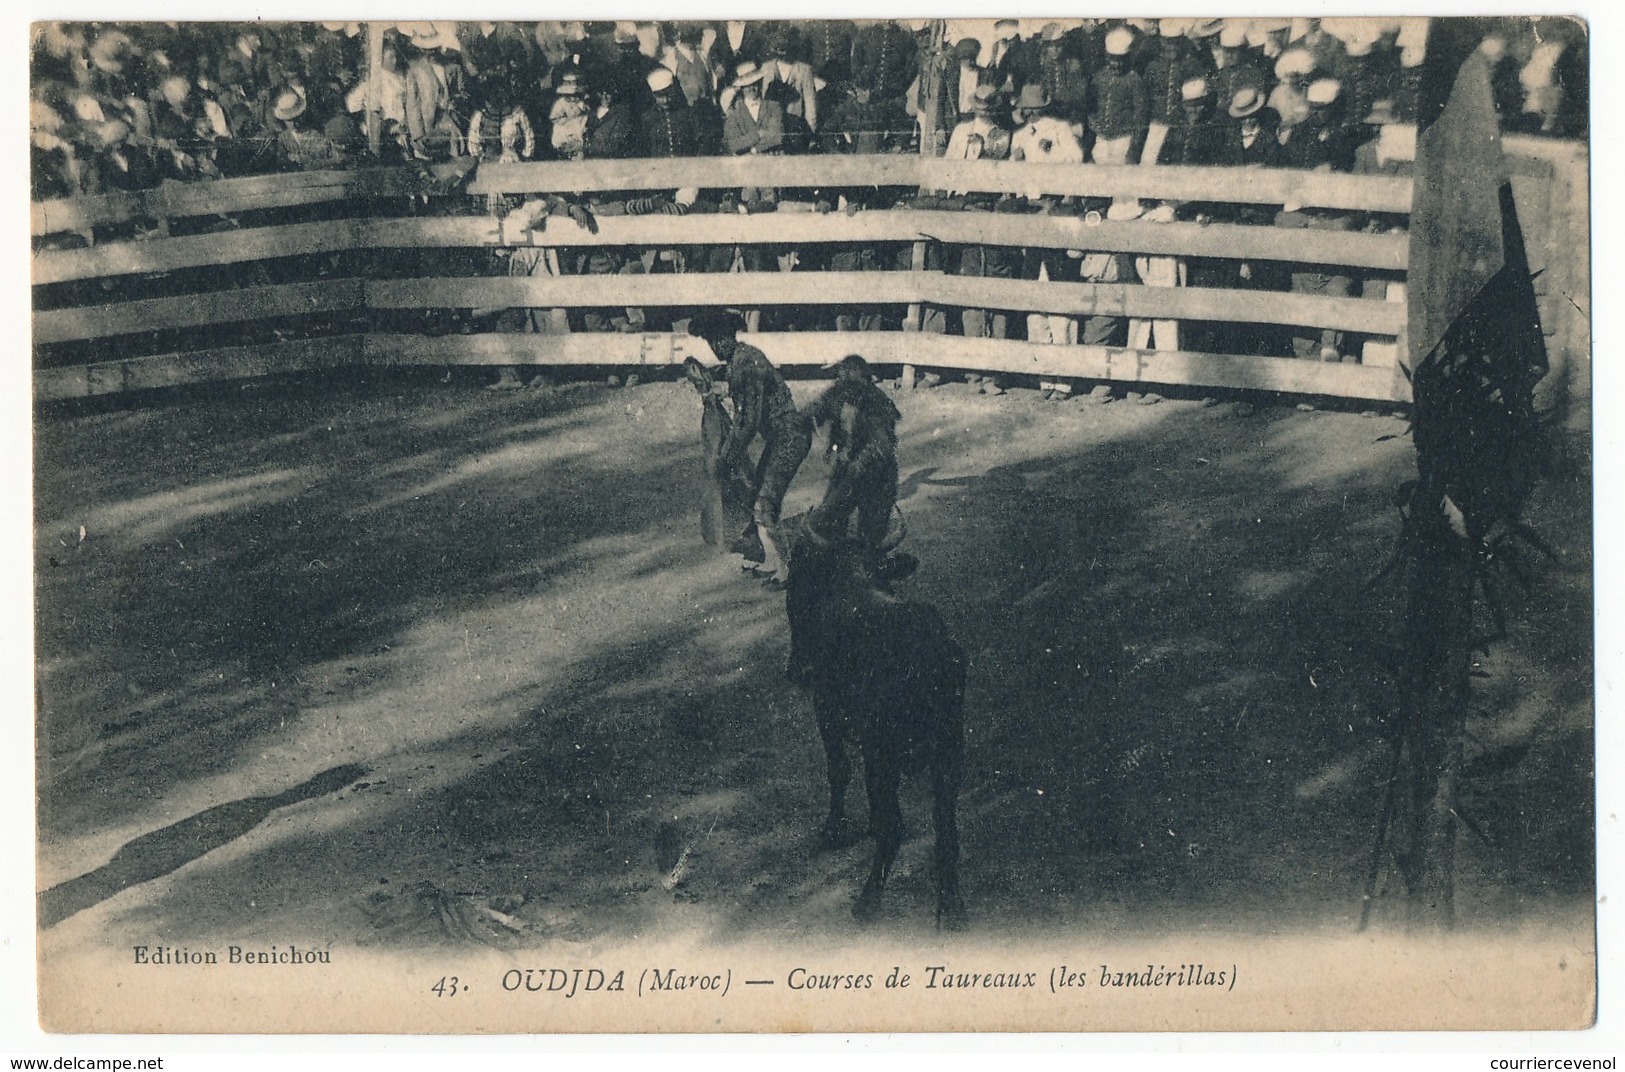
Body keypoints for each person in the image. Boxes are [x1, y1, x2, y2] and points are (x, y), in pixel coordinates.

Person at [689, 311, 813, 587]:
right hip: (786, 434)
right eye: (711, 340)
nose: (714, 346)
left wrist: (727, 458)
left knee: (764, 500)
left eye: (716, 339)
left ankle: (786, 571)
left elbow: (747, 422)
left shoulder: (743, 364)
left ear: (726, 338)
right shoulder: (744, 357)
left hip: (788, 436)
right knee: (760, 494)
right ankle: (772, 561)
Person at [805, 354, 902, 567]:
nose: (843, 380)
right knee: (829, 525)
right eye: (842, 376)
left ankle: (867, 568)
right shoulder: (839, 392)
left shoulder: (874, 401)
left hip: (876, 474)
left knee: (871, 534)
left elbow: (882, 446)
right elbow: (814, 412)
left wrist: (855, 467)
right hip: (848, 470)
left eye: (849, 377)